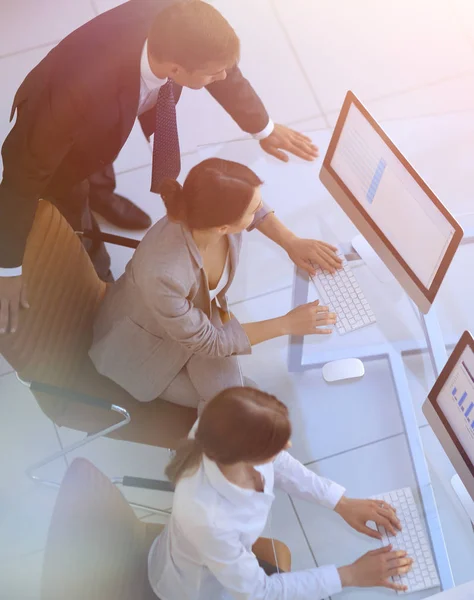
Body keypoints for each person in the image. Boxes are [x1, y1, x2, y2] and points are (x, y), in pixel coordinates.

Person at [0, 0, 320, 335]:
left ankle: (101, 192)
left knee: (101, 148)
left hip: (102, 119)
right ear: (175, 70)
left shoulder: (181, 21)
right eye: (212, 75)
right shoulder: (75, 95)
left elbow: (222, 67)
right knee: (69, 191)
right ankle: (99, 270)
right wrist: (7, 268)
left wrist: (263, 128)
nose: (221, 78)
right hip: (55, 128)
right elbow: (21, 179)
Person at [89, 158, 342, 409]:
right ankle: (199, 448)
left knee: (246, 398)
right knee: (240, 405)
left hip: (196, 323)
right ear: (224, 227)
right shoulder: (163, 275)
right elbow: (211, 342)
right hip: (146, 348)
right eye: (253, 211)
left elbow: (254, 207)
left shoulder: (206, 214)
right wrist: (287, 324)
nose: (260, 210)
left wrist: (291, 241)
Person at [148, 386, 413, 599]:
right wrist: (351, 575)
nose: (288, 445)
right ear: (247, 456)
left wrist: (340, 502)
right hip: (201, 590)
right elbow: (260, 592)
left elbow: (278, 462)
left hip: (223, 564)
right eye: (277, 443)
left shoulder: (222, 430)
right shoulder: (209, 519)